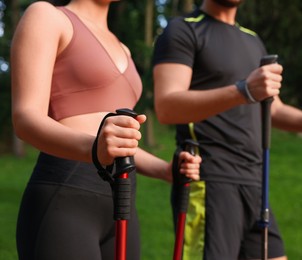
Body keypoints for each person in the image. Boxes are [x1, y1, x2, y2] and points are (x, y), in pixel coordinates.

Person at [152, 0, 302, 259]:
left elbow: (273, 109)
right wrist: (243, 91)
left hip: (255, 183)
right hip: (209, 181)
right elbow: (167, 107)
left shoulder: (252, 40)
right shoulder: (183, 30)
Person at [11, 0, 201, 259]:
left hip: (121, 201)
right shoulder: (47, 16)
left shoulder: (121, 46)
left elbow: (116, 142)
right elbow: (25, 118)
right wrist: (93, 149)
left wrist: (166, 170)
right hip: (67, 195)